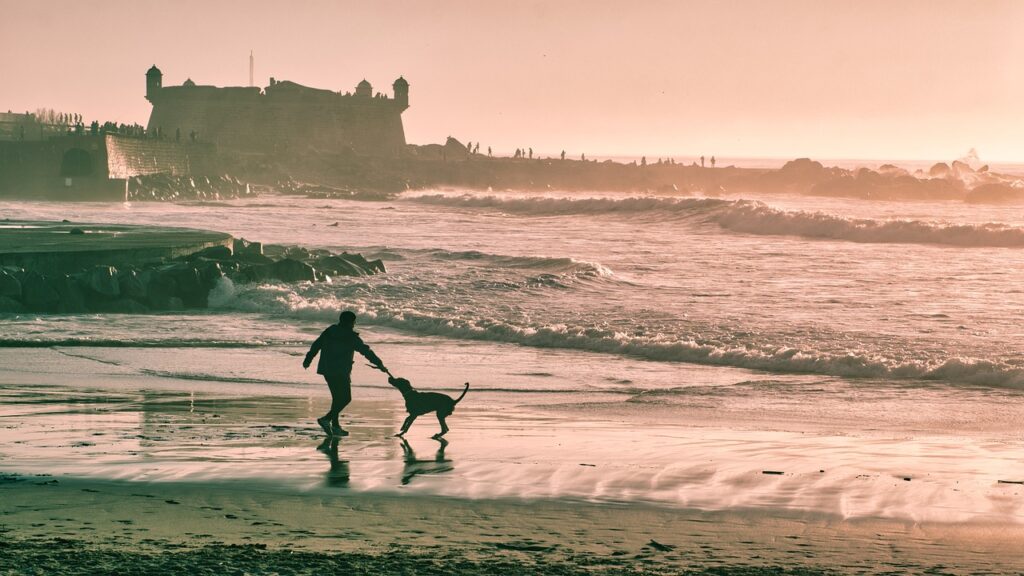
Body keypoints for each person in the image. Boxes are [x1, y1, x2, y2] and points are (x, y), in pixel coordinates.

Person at [303, 310, 387, 436]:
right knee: (346, 398)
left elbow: (317, 344)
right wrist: (379, 363)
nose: (353, 325)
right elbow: (365, 351)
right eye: (353, 322)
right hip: (340, 371)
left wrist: (308, 359)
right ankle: (326, 419)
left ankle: (335, 426)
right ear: (350, 322)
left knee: (337, 398)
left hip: (326, 368)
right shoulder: (351, 337)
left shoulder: (330, 331)